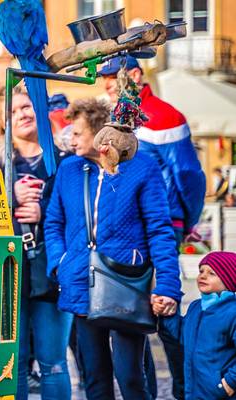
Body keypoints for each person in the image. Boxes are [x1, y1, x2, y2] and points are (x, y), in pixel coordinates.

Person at [44, 97, 182, 400]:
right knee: (94, 379)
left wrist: (170, 286)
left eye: (78, 132)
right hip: (80, 283)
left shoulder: (142, 167)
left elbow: (160, 230)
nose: (71, 138)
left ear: (100, 133)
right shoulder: (69, 169)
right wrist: (60, 263)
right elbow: (53, 222)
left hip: (127, 284)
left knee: (131, 377)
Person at [100, 56, 202, 400]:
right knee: (132, 317)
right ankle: (146, 391)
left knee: (166, 314)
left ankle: (185, 390)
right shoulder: (111, 121)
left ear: (135, 74)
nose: (107, 84)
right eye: (103, 78)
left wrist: (184, 220)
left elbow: (188, 175)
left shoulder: (165, 116)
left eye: (112, 76)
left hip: (161, 226)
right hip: (123, 232)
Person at [0, 85, 72, 400]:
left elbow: (82, 211)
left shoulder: (64, 158)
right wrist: (9, 197)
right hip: (6, 273)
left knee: (54, 364)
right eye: (14, 111)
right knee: (11, 364)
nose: (22, 115)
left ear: (41, 110)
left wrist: (43, 210)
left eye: (27, 107)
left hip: (53, 272)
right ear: (4, 122)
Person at [161, 251, 236, 400]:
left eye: (212, 273)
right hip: (194, 391)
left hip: (221, 394)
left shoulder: (232, 312)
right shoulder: (196, 307)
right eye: (201, 271)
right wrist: (167, 314)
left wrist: (228, 384)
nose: (202, 276)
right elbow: (182, 335)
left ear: (229, 279)